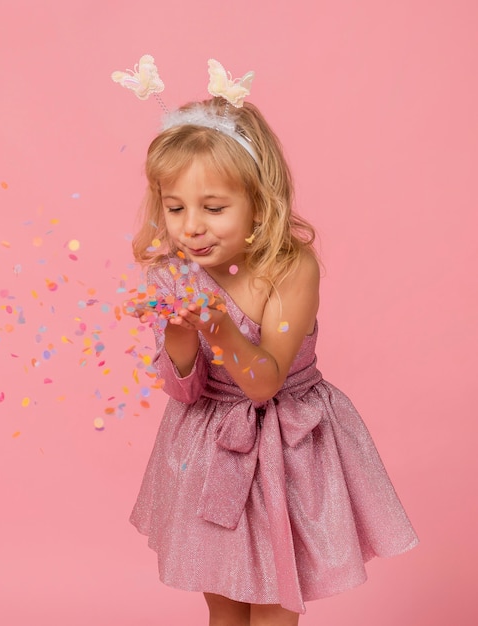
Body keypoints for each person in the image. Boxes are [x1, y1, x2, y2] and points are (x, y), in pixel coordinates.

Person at [124, 93, 418, 625]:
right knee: (223, 600)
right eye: (175, 208)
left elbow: (265, 384)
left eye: (213, 208)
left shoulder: (291, 267)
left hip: (288, 446)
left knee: (277, 604)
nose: (191, 227)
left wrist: (214, 323)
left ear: (260, 201)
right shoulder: (176, 273)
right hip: (209, 448)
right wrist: (178, 327)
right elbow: (185, 390)